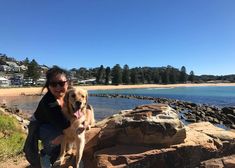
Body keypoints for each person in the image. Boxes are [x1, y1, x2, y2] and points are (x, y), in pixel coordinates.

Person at [34, 66, 71, 167]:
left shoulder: (71, 94)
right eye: (53, 84)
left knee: (67, 136)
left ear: (67, 83)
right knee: (57, 137)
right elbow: (64, 125)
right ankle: (46, 154)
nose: (58, 87)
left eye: (61, 83)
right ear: (48, 86)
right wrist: (66, 135)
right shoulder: (48, 102)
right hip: (41, 124)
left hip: (58, 122)